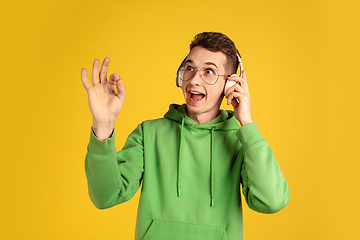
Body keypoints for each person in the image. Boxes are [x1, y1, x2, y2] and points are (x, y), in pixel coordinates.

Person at [81, 32, 290, 240]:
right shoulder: (148, 134)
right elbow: (105, 196)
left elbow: (272, 201)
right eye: (190, 68)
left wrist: (247, 124)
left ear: (230, 84)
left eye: (209, 71)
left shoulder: (242, 141)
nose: (194, 80)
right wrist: (103, 124)